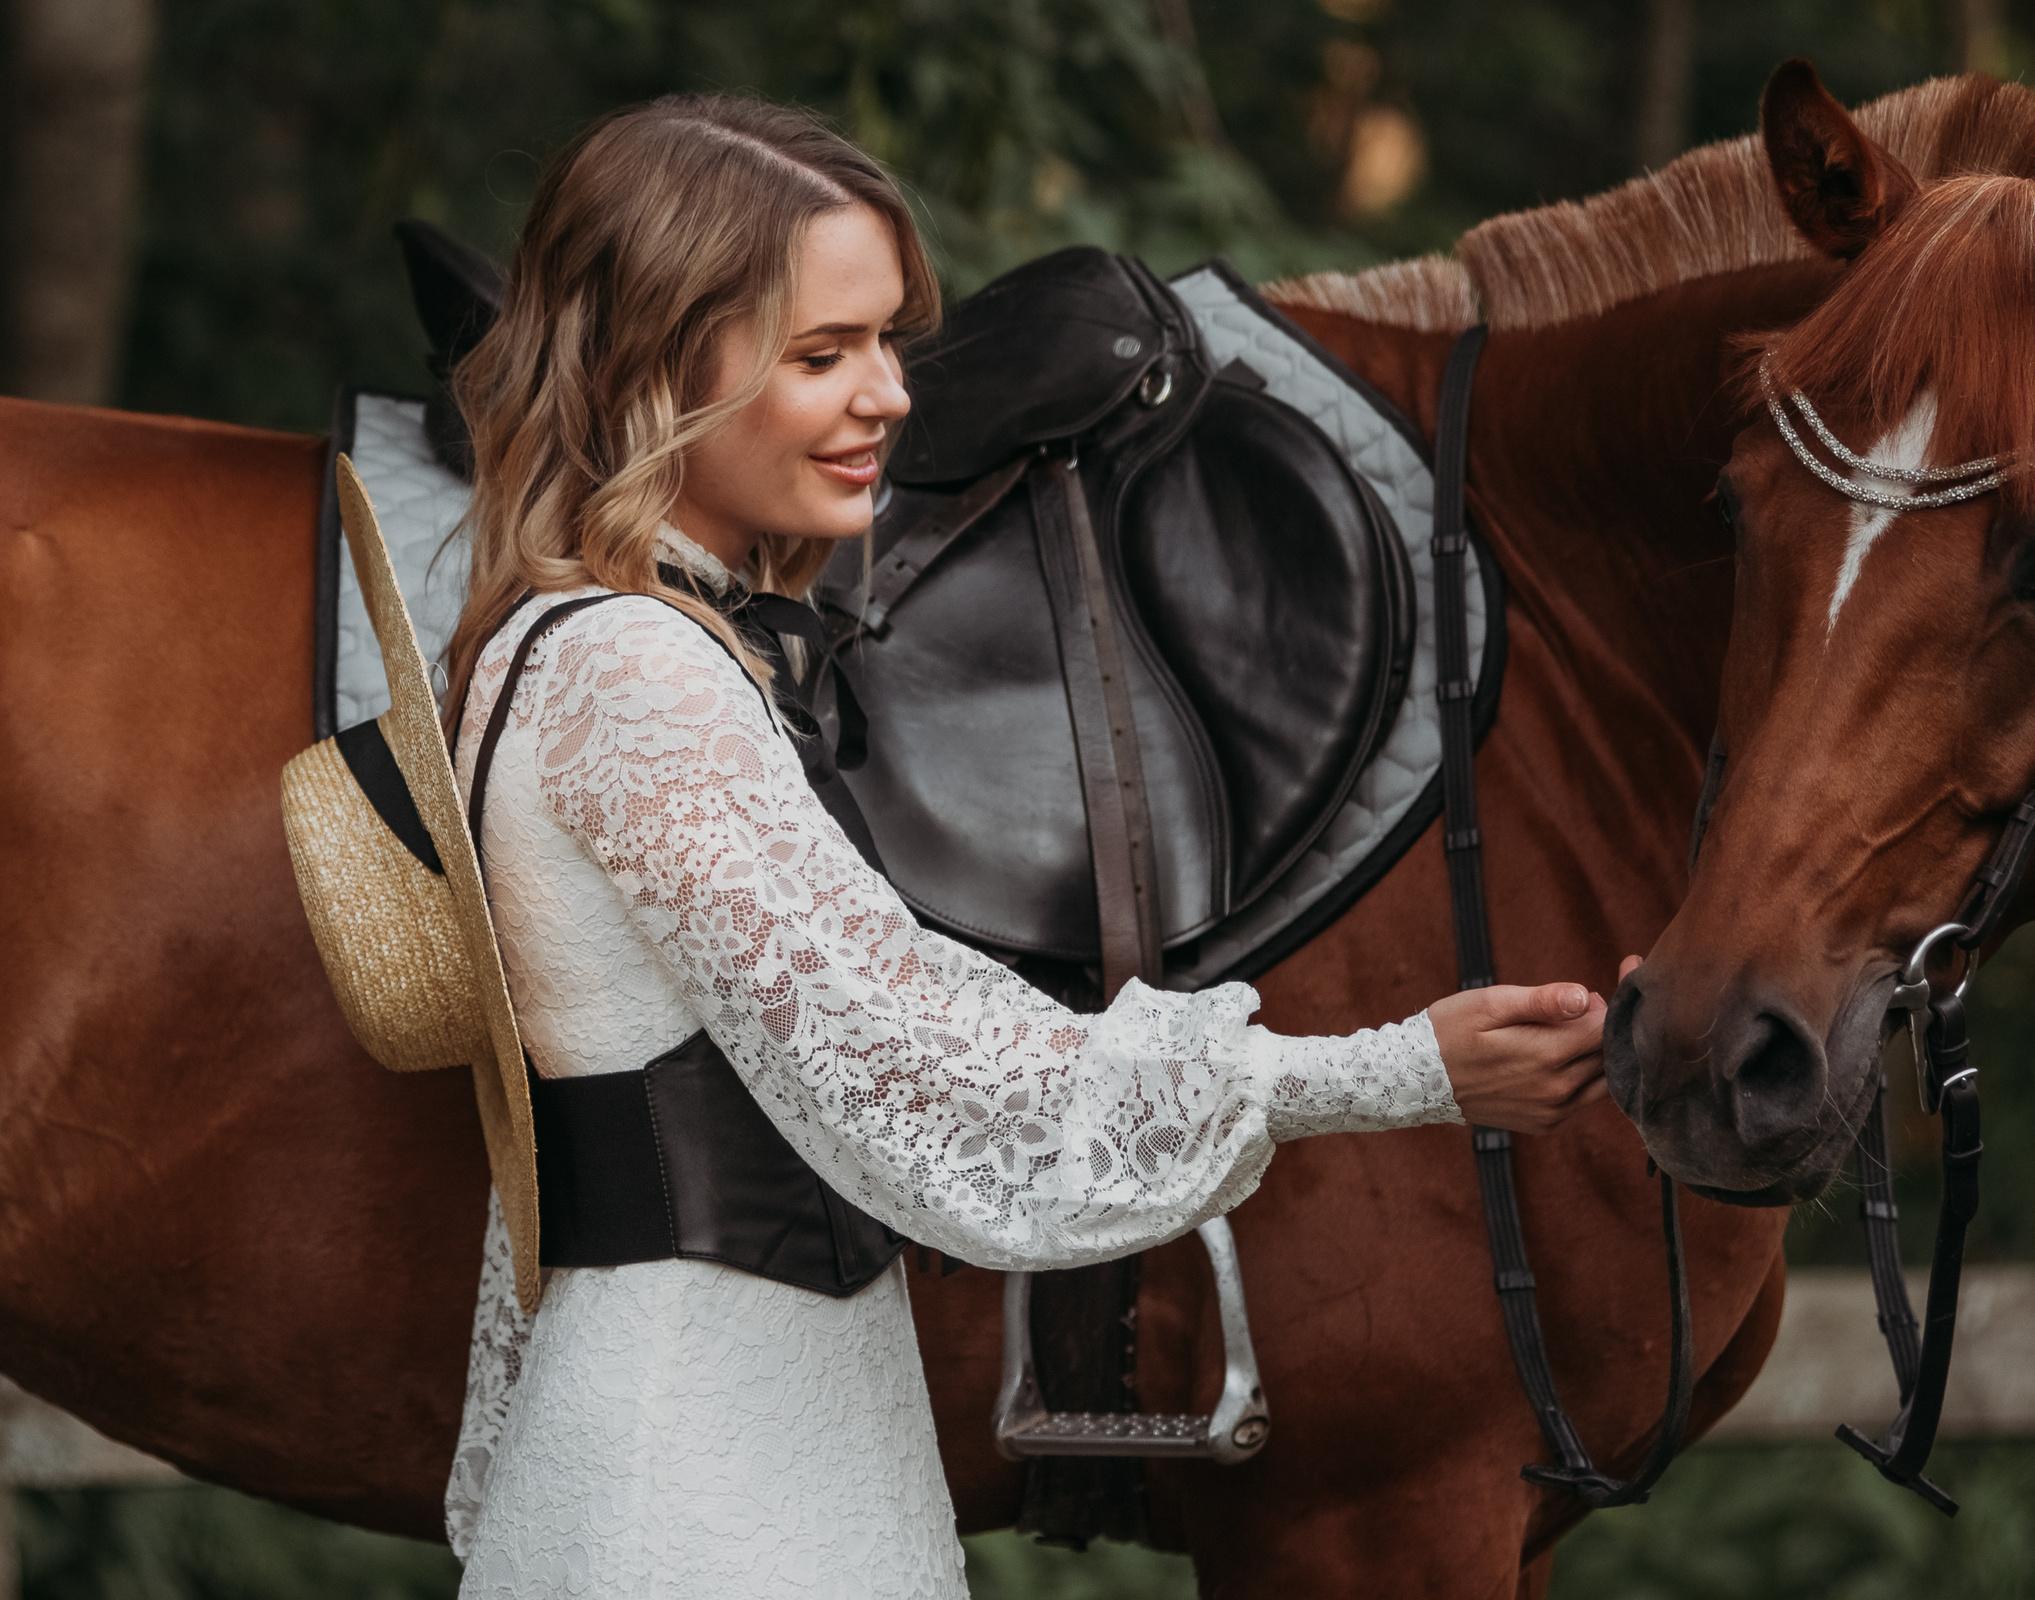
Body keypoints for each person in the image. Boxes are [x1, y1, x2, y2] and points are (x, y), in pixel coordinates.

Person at [436, 93, 1610, 1597]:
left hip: (761, 1439)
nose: (890, 397)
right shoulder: (633, 672)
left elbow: (921, 999)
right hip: (701, 1485)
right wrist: (1400, 1071)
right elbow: (923, 1066)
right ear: (649, 373)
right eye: (821, 355)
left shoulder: (626, 649)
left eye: (886, 343)